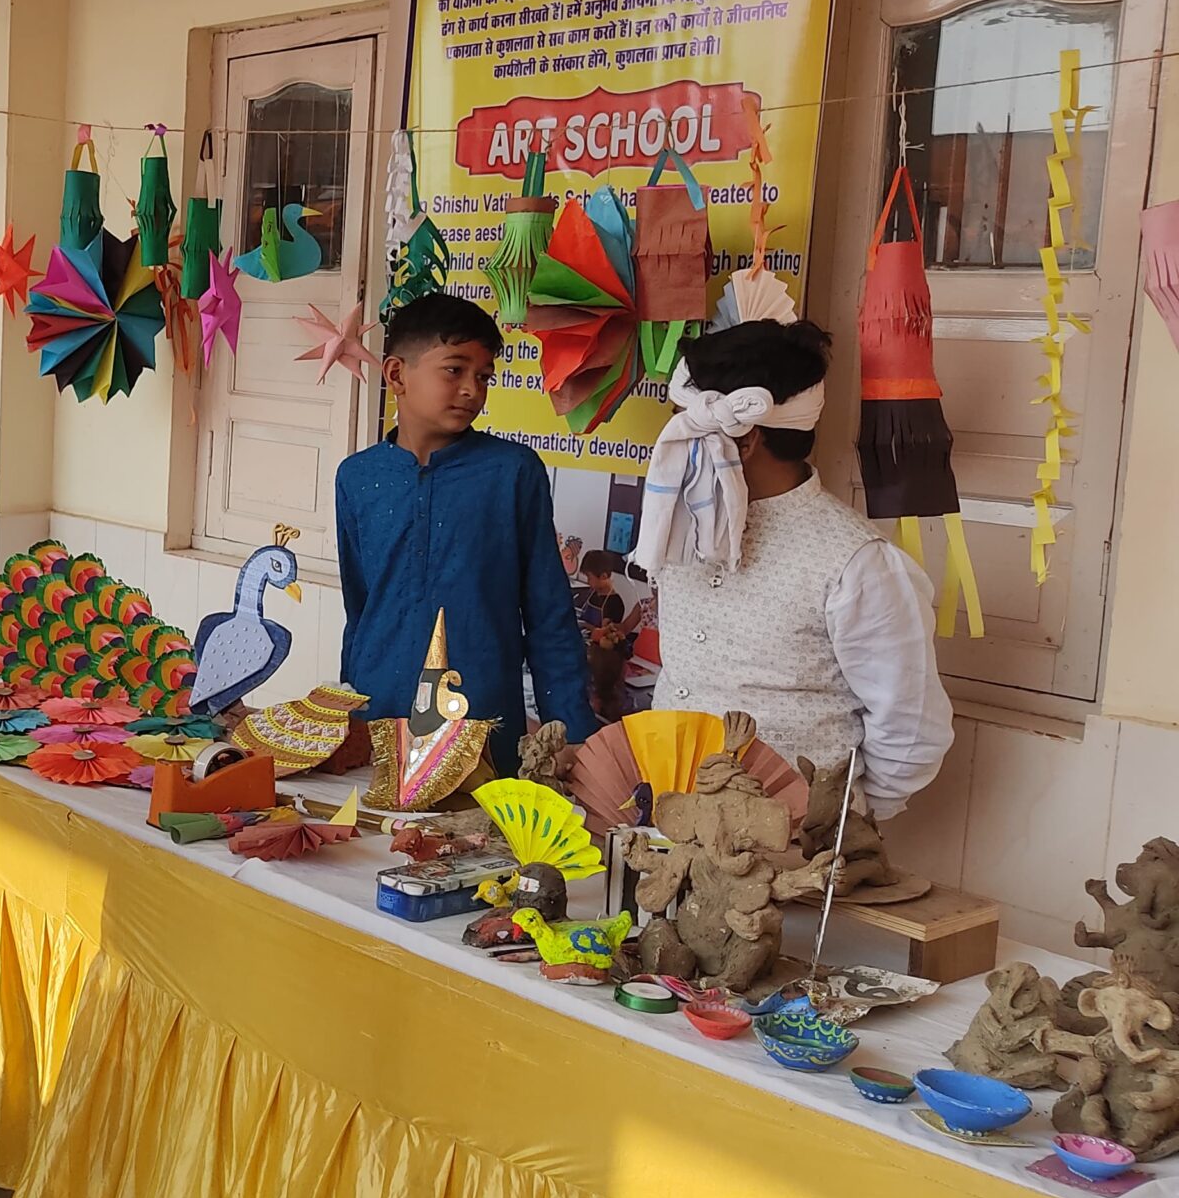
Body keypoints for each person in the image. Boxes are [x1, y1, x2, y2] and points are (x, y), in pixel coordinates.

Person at [638, 317, 953, 812]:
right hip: (667, 815)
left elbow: (910, 728)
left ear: (744, 441)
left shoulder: (856, 563)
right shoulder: (680, 528)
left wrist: (837, 822)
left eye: (685, 428)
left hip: (795, 837)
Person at [335, 292, 597, 758]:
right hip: (379, 719)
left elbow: (549, 615)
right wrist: (345, 711)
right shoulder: (357, 477)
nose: (472, 390)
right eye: (454, 370)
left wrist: (571, 732)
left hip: (483, 726)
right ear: (396, 374)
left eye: (483, 377)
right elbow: (360, 609)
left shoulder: (512, 473)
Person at [573, 549, 644, 721]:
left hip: (603, 658)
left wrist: (585, 625)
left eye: (589, 577)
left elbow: (606, 632)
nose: (587, 581)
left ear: (604, 576)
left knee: (601, 691)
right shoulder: (594, 594)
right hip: (590, 649)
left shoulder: (614, 603)